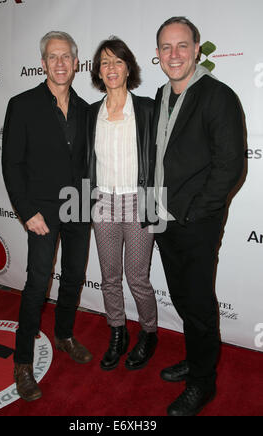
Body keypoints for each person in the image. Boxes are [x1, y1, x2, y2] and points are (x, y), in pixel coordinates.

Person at [152, 17, 245, 416]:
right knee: (184, 300)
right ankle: (196, 359)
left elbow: (231, 166)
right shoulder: (160, 97)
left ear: (196, 48)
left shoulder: (217, 95)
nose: (174, 55)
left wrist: (192, 213)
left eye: (181, 46)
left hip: (195, 223)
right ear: (157, 55)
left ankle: (203, 383)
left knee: (200, 303)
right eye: (166, 48)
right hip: (161, 219)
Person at [2, 31, 92, 402]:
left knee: (72, 278)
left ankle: (65, 334)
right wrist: (26, 212)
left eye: (65, 57)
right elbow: (11, 164)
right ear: (43, 64)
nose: (59, 64)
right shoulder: (21, 104)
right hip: (40, 211)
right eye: (52, 57)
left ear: (75, 63)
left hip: (79, 206)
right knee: (38, 284)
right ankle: (22, 361)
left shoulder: (88, 110)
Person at [88, 37, 158, 371]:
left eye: (118, 61)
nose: (111, 68)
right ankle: (118, 331)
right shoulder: (90, 114)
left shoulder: (147, 109)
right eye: (105, 62)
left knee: (137, 276)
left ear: (128, 67)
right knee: (109, 276)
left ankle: (149, 332)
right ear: (98, 72)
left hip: (138, 201)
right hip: (102, 202)